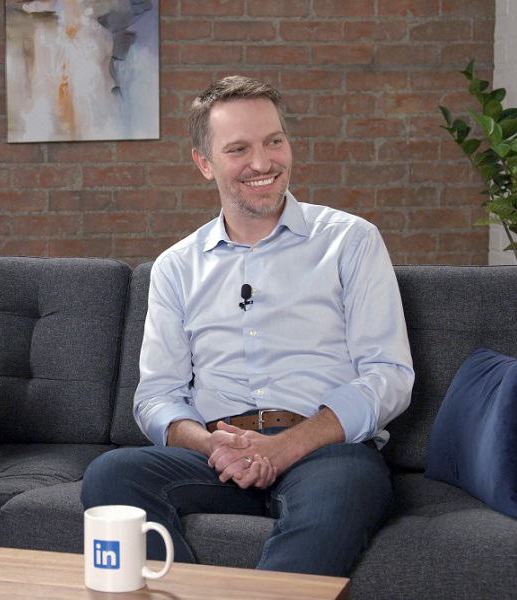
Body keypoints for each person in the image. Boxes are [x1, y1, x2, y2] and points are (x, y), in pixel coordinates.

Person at [80, 75, 415, 576]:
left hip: (324, 452)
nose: (262, 163)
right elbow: (156, 396)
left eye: (273, 142)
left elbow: (389, 375)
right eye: (238, 149)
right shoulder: (176, 267)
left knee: (344, 491)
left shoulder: (351, 242)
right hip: (217, 456)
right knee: (112, 475)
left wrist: (285, 448)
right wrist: (209, 444)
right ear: (204, 164)